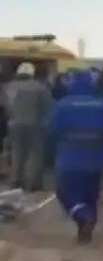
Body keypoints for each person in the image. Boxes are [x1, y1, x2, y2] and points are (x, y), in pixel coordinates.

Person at [47, 71, 103, 244]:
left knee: (65, 193)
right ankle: (86, 231)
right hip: (96, 158)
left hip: (70, 157)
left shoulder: (63, 105)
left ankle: (83, 217)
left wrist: (50, 155)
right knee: (91, 195)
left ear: (72, 84)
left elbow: (51, 131)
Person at [3, 62, 54, 191]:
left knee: (17, 152)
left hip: (14, 125)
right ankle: (33, 184)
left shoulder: (8, 87)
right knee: (35, 154)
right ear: (32, 74)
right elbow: (48, 107)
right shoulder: (40, 88)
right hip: (35, 125)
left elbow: (4, 106)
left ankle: (16, 181)